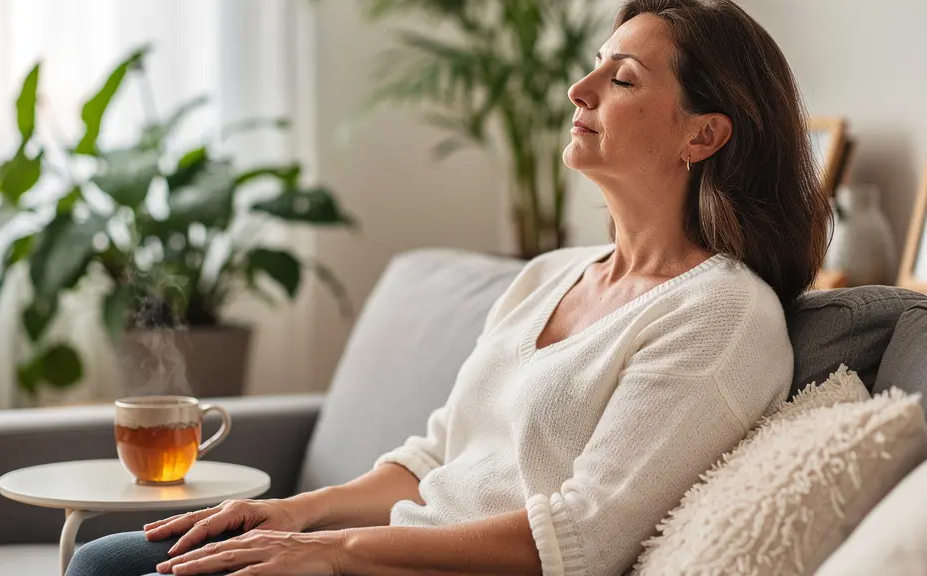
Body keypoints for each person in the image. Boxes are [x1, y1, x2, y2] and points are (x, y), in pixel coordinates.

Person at [67, 0, 831, 574]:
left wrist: (335, 552)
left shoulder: (721, 314)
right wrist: (285, 515)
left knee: (108, 568)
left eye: (621, 77)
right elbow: (434, 459)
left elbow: (583, 536)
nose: (579, 88)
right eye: (596, 63)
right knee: (112, 557)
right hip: (388, 553)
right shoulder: (547, 276)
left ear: (704, 134)